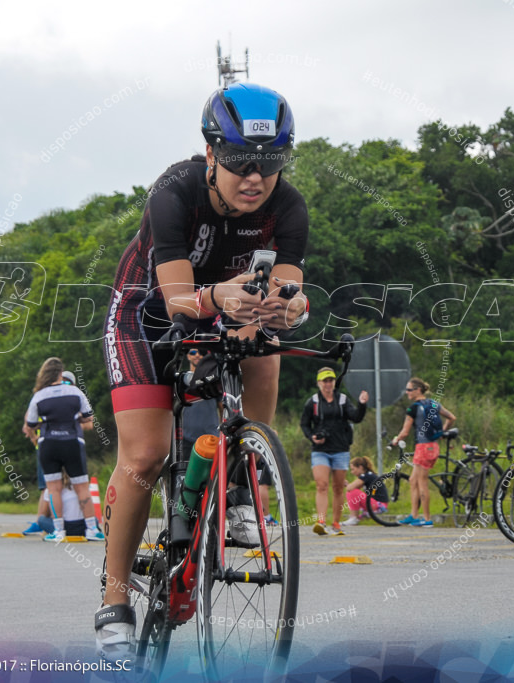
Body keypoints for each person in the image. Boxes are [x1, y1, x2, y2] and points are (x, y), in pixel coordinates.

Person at [96, 83, 308, 656]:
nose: (255, 177)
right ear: (211, 154)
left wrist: (289, 305)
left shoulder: (287, 206)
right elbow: (175, 301)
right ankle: (114, 600)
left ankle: (244, 472)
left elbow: (288, 288)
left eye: (270, 163)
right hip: (147, 310)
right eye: (240, 161)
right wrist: (222, 298)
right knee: (145, 455)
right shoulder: (174, 191)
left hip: (223, 304)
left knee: (265, 341)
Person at [22, 357, 99, 543]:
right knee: (82, 487)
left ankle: (58, 531)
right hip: (72, 441)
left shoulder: (39, 395)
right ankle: (91, 529)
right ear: (60, 372)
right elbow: (89, 416)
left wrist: (45, 422)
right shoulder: (74, 391)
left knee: (53, 489)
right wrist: (75, 419)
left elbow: (30, 424)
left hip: (48, 443)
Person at [301, 368, 368, 535]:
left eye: (330, 380)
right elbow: (304, 424)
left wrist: (362, 404)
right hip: (320, 450)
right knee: (321, 485)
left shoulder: (343, 400)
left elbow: (356, 417)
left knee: (338, 488)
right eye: (325, 381)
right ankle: (321, 521)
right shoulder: (313, 402)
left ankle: (336, 523)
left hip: (341, 449)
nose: (328, 384)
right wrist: (312, 437)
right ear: (319, 383)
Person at [391, 378, 455, 527]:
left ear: (418, 390)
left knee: (422, 483)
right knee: (413, 480)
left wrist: (396, 440)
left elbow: (405, 432)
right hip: (433, 446)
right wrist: (441, 433)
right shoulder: (434, 404)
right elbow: (452, 417)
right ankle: (414, 515)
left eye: (409, 390)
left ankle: (427, 519)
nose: (406, 392)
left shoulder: (413, 408)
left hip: (422, 448)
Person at [343, 456, 388, 525]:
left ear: (360, 467)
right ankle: (354, 517)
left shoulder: (366, 476)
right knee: (352, 492)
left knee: (352, 492)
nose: (352, 472)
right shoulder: (368, 475)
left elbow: (350, 489)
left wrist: (347, 485)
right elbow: (353, 488)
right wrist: (348, 485)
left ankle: (354, 518)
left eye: (353, 469)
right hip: (378, 504)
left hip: (379, 505)